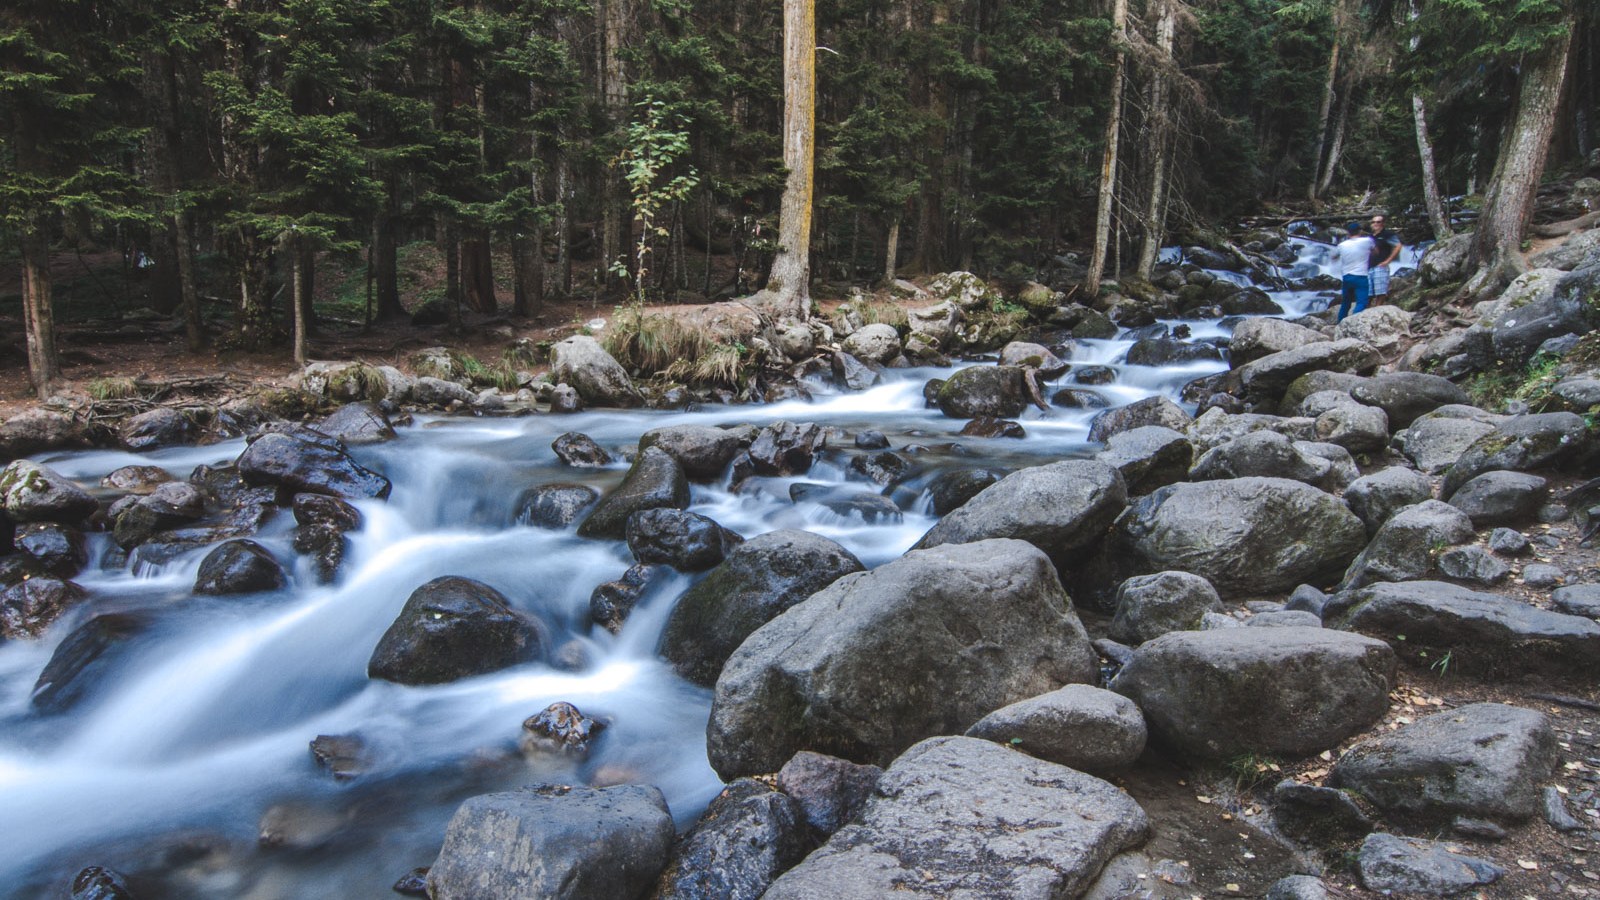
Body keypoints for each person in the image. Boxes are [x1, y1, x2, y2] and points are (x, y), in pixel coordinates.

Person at [1334, 221, 1374, 322]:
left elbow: (1334, 256)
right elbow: (1376, 251)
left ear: (1348, 233)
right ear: (1360, 231)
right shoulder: (1367, 241)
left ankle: (1340, 323)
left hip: (1347, 276)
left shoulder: (1342, 245)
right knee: (1361, 302)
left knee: (1346, 303)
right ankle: (1354, 322)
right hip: (1361, 276)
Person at [1366, 214, 1402, 305]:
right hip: (1369, 267)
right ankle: (1365, 312)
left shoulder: (1387, 234)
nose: (1375, 224)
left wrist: (1388, 261)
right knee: (1368, 293)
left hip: (1380, 266)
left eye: (1378, 222)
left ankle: (1378, 310)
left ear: (1383, 223)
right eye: (1373, 222)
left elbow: (1398, 246)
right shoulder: (1370, 236)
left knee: (1380, 292)